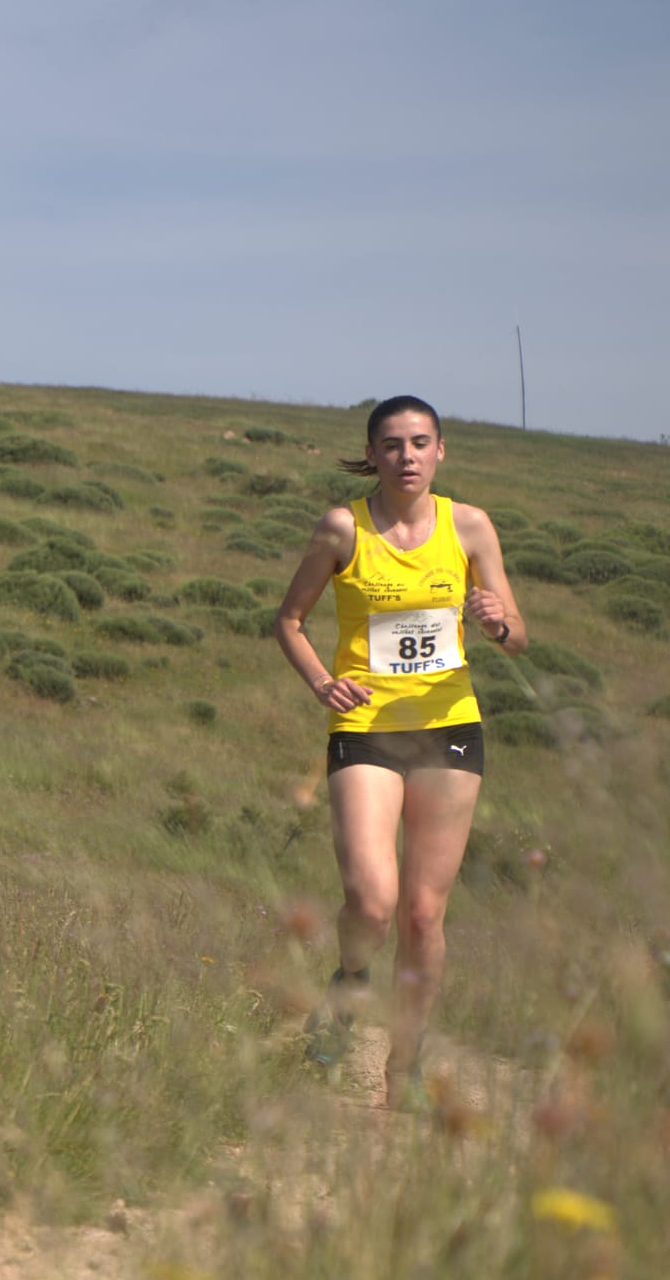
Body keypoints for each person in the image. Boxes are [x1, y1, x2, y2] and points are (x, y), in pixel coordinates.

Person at [273, 395, 527, 1107]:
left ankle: (404, 1068)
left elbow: (518, 632)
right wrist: (323, 682)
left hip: (448, 726)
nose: (407, 456)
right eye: (392, 444)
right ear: (373, 454)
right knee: (374, 901)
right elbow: (289, 619)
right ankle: (350, 983)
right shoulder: (341, 528)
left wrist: (496, 621)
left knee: (422, 914)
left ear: (441, 450)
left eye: (420, 442)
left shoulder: (470, 526)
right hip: (366, 728)